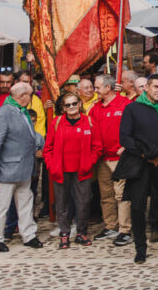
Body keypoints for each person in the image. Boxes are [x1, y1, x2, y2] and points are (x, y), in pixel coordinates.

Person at [116, 74, 158, 264]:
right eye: (155, 86)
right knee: (138, 207)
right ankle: (140, 249)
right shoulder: (132, 108)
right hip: (139, 163)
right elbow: (125, 137)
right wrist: (146, 155)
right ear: (146, 87)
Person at [0, 82, 44, 252]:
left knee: (26, 203)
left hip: (24, 167)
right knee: (1, 205)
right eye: (30, 95)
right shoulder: (3, 114)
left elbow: (29, 135)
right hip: (6, 169)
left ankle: (29, 235)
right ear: (22, 96)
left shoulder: (22, 111)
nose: (31, 98)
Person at [44, 90, 100, 248]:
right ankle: (64, 233)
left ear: (80, 104)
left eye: (74, 103)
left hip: (83, 170)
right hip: (61, 170)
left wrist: (90, 162)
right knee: (62, 203)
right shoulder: (56, 122)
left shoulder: (88, 121)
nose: (72, 107)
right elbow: (48, 148)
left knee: (84, 202)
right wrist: (51, 164)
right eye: (67, 105)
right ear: (63, 108)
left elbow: (97, 146)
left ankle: (82, 232)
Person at [89, 74, 133, 245]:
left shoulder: (125, 105)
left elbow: (134, 128)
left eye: (98, 87)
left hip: (119, 158)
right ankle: (110, 226)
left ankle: (125, 230)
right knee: (106, 194)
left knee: (121, 194)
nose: (95, 90)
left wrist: (128, 147)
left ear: (108, 88)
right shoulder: (95, 108)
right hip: (102, 158)